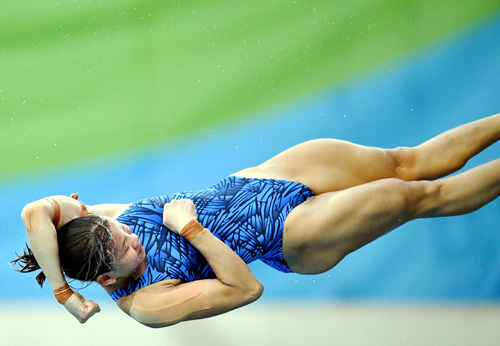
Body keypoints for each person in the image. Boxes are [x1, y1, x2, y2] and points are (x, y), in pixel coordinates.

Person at [12, 113, 500, 328]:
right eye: (125, 248)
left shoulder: (98, 227)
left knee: (405, 161)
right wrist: (192, 232)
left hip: (269, 178)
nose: (131, 237)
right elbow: (245, 289)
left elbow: (34, 213)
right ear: (106, 277)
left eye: (122, 230)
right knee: (416, 195)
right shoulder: (146, 303)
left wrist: (63, 294)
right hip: (292, 235)